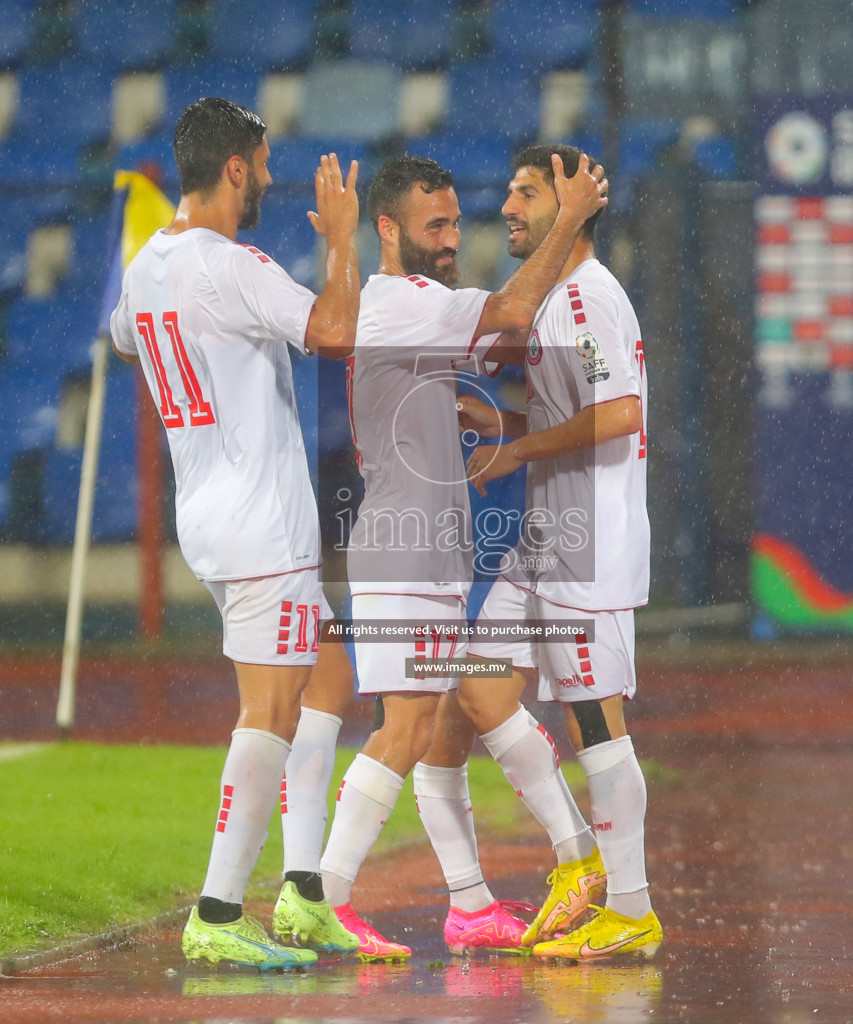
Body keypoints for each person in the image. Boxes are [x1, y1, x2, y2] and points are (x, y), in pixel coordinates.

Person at [314, 152, 609, 960]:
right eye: (434, 225)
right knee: (410, 725)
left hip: (427, 556)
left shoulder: (412, 309)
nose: (450, 239)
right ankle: (324, 895)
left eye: (453, 223)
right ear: (387, 229)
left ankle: (472, 905)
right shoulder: (405, 302)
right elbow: (514, 310)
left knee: (449, 719)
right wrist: (572, 217)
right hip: (403, 560)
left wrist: (467, 430)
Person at [109, 97, 362, 970]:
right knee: (273, 711)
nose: (267, 178)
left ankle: (302, 891)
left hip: (209, 512)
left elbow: (122, 340)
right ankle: (217, 910)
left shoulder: (149, 265)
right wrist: (342, 239)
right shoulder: (234, 264)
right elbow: (334, 329)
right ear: (233, 169)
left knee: (327, 676)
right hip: (264, 527)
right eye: (261, 164)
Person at [460, 143, 660, 960]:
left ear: (568, 208)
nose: (508, 206)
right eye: (507, 189)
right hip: (548, 536)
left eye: (527, 192)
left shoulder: (584, 301)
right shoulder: (554, 301)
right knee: (477, 687)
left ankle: (633, 908)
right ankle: (578, 857)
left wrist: (517, 449)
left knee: (596, 722)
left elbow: (620, 414)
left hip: (589, 545)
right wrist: (507, 431)